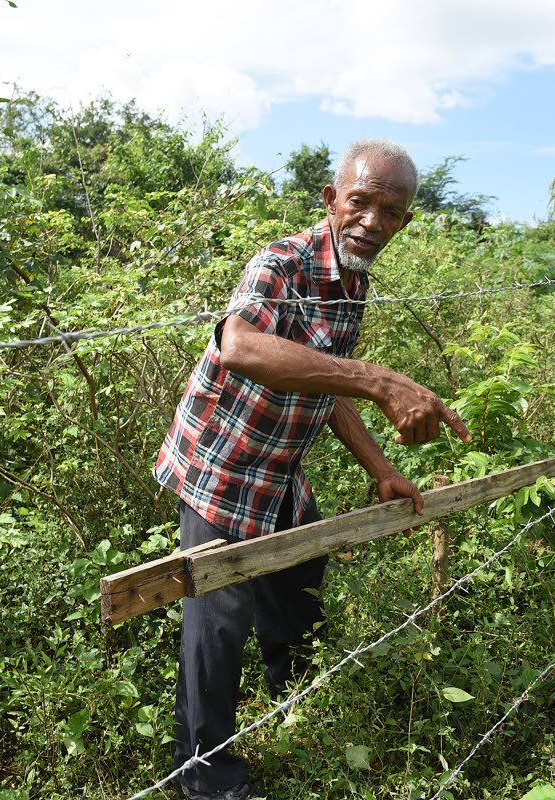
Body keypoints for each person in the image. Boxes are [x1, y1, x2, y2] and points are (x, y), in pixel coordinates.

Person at [154, 138, 471, 800]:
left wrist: (380, 466)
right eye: (361, 202)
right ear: (331, 199)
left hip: (280, 467)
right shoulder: (281, 263)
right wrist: (378, 379)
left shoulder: (352, 282)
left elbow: (323, 387)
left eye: (391, 211)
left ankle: (292, 698)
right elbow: (240, 346)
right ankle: (206, 779)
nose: (373, 222)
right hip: (223, 464)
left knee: (300, 583)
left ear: (406, 221)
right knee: (218, 623)